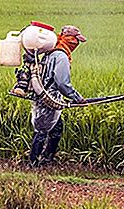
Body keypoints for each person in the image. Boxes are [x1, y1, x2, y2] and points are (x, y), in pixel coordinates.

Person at [28, 25, 87, 167]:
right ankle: (34, 164)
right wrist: (77, 98)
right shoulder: (61, 56)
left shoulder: (50, 53)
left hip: (44, 97)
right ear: (68, 39)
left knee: (57, 127)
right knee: (42, 131)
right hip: (49, 99)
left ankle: (47, 159)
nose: (76, 43)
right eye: (75, 40)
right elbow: (62, 83)